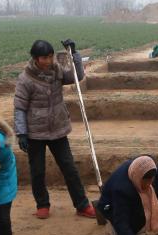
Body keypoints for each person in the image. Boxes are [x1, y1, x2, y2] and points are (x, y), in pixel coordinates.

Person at [14, 39, 96, 220]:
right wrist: (21, 133)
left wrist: (74, 54)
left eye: (50, 56)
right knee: (37, 171)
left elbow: (77, 76)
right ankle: (42, 205)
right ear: (35, 58)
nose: (49, 60)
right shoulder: (25, 79)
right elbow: (19, 107)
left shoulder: (57, 71)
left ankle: (82, 205)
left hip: (58, 129)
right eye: (44, 58)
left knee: (69, 168)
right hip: (35, 133)